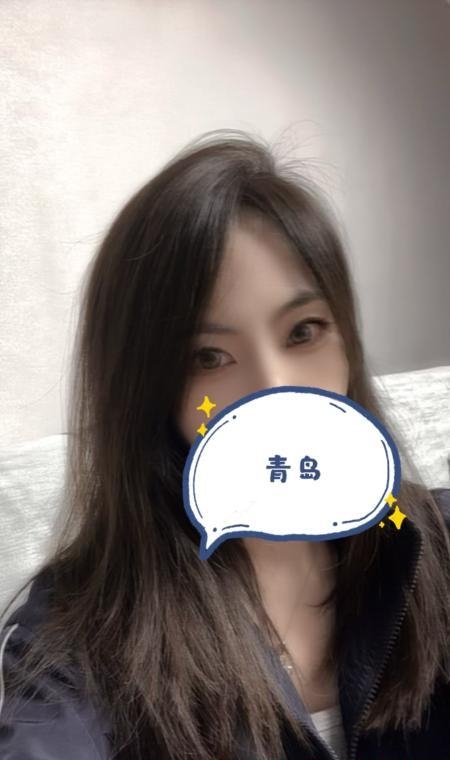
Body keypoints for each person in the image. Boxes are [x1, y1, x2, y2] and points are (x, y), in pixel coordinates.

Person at [1, 129, 449, 760]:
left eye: (304, 331)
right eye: (209, 357)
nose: (277, 392)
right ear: (148, 393)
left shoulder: (435, 540)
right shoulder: (79, 632)